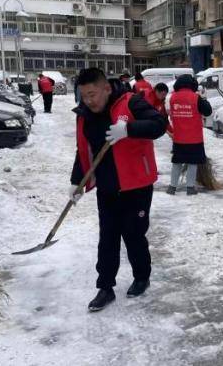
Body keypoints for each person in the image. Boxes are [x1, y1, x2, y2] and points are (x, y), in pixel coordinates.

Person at [69, 68, 167, 312]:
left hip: (136, 186)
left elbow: (159, 124)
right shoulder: (85, 116)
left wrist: (128, 130)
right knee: (108, 237)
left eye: (93, 94)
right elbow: (84, 151)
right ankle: (105, 287)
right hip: (108, 187)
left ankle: (141, 276)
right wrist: (76, 182)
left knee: (133, 234)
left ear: (106, 88)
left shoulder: (130, 102)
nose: (89, 101)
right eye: (84, 95)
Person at [166, 75, 212, 196]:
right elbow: (208, 111)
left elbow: (172, 115)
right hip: (194, 138)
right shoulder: (195, 97)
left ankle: (172, 187)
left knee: (177, 162)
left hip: (179, 137)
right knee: (192, 162)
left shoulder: (173, 98)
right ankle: (190, 188)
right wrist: (204, 99)